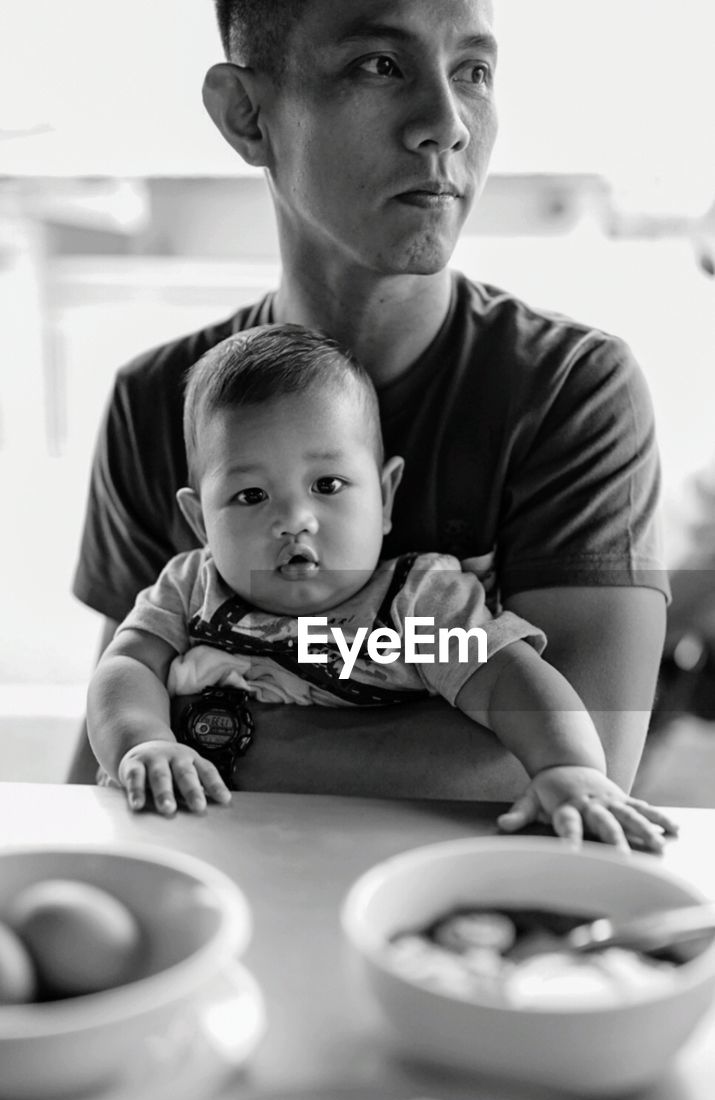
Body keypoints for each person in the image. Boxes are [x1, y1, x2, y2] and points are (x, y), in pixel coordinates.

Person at [70, 0, 669, 801]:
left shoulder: (568, 390)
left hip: (443, 906)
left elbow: (579, 760)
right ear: (246, 115)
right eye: (378, 65)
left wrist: (201, 733)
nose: (446, 124)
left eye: (473, 72)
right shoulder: (159, 401)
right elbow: (105, 748)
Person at [87, 325, 673, 852]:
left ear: (386, 498)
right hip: (211, 845)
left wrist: (567, 768)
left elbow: (507, 682)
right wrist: (144, 743)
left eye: (328, 484)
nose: (295, 519)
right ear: (199, 524)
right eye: (250, 496)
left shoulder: (414, 605)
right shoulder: (190, 587)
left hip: (377, 851)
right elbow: (125, 670)